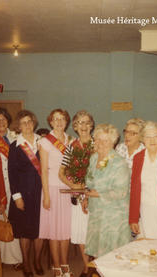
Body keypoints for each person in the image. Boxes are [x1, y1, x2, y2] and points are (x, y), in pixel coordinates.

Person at [83, 124, 131, 258]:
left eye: (105, 140)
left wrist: (96, 194)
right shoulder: (93, 158)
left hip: (113, 215)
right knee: (98, 251)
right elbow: (89, 182)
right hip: (97, 212)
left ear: (113, 142)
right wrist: (86, 198)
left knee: (111, 253)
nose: (100, 143)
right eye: (98, 139)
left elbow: (121, 191)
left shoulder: (119, 162)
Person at [8, 110, 43, 277]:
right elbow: (12, 174)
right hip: (23, 194)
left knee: (39, 230)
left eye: (29, 121)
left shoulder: (42, 142)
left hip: (41, 193)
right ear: (18, 126)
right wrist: (17, 197)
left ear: (34, 123)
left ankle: (37, 261)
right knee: (24, 232)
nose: (27, 125)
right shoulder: (15, 146)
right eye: (23, 122)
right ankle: (27, 264)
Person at [58, 110, 94, 277]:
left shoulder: (97, 145)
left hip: (94, 196)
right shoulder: (71, 147)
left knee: (94, 232)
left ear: (91, 125)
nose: (84, 126)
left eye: (87, 122)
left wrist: (88, 189)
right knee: (80, 232)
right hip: (76, 196)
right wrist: (74, 185)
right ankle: (87, 267)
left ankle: (96, 266)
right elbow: (61, 173)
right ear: (75, 126)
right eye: (80, 122)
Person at [39, 109, 73, 277]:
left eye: (62, 119)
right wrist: (46, 195)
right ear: (50, 122)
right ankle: (56, 266)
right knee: (54, 230)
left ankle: (65, 263)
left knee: (65, 229)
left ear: (66, 122)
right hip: (51, 188)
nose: (59, 122)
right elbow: (43, 171)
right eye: (55, 119)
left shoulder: (70, 140)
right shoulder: (45, 142)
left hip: (67, 189)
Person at [0, 107, 22, 268]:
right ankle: (0, 257)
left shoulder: (15, 136)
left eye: (4, 119)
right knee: (1, 220)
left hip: (15, 184)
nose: (1, 122)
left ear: (8, 120)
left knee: (14, 220)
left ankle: (15, 258)